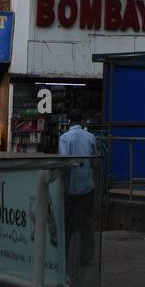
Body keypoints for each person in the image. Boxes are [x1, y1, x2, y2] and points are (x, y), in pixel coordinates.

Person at [58, 113, 98, 266]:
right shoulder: (90, 137)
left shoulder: (64, 138)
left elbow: (64, 161)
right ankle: (86, 256)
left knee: (66, 223)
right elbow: (94, 161)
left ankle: (63, 254)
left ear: (68, 122)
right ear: (82, 121)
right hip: (87, 186)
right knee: (86, 223)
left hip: (70, 187)